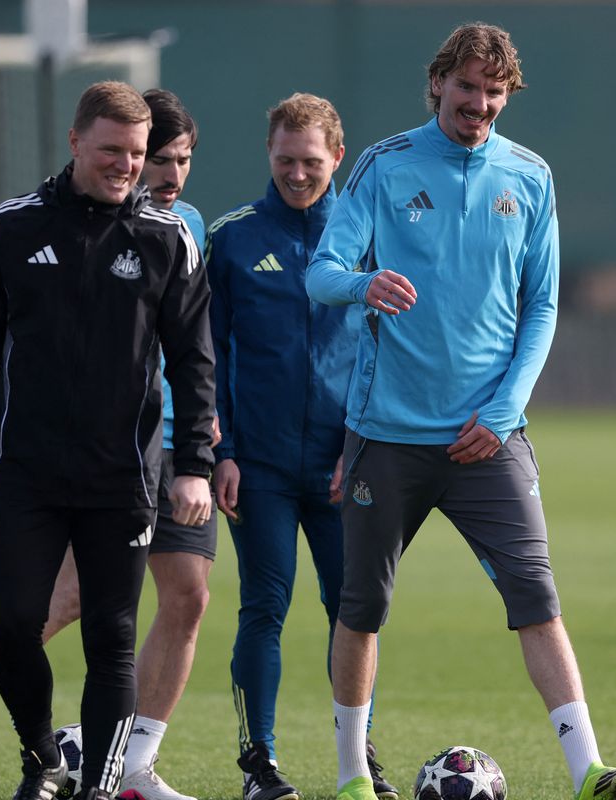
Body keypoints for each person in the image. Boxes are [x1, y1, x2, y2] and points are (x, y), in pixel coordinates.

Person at [304, 23, 616, 800]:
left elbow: (543, 306)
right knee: (361, 610)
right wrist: (363, 285)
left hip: (488, 439)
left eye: (494, 93)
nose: (480, 104)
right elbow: (322, 272)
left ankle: (589, 772)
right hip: (386, 436)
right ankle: (353, 778)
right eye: (467, 87)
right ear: (438, 83)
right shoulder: (385, 165)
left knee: (537, 599)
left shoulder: (529, 175)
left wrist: (504, 410)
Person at [0, 88, 216, 800]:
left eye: (136, 154)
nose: (126, 166)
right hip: (26, 472)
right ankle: (42, 757)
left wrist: (195, 466)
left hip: (123, 477)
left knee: (111, 640)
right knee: (15, 624)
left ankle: (100, 788)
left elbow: (195, 362)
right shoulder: (13, 226)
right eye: (111, 150)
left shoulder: (168, 238)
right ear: (75, 142)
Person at [205, 93, 396, 800]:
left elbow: (389, 351)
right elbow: (208, 357)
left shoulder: (370, 238)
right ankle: (259, 763)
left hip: (348, 465)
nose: (296, 173)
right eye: (285, 159)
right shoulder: (233, 238)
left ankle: (358, 759)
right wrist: (220, 451)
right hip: (258, 467)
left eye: (311, 161)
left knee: (355, 612)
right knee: (265, 604)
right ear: (268, 152)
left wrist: (362, 444)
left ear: (338, 158)